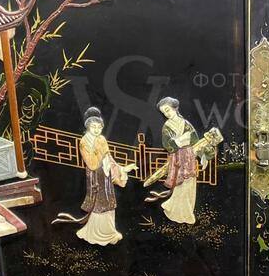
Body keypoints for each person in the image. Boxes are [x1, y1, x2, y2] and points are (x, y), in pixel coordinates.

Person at [52, 107, 136, 245]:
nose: (96, 130)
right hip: (96, 175)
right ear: (88, 126)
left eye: (99, 127)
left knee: (109, 201)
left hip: (106, 173)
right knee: (99, 203)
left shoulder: (101, 139)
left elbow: (109, 157)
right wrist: (98, 151)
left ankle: (110, 232)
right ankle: (96, 234)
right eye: (93, 126)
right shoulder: (84, 141)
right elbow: (91, 163)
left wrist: (121, 169)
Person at [147, 97, 199, 224]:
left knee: (190, 184)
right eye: (164, 112)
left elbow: (195, 139)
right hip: (178, 157)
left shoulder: (185, 123)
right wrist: (181, 141)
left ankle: (187, 212)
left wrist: (183, 141)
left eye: (167, 110)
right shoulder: (167, 127)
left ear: (175, 108)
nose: (166, 114)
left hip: (189, 156)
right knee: (180, 183)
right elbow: (168, 144)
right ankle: (178, 213)